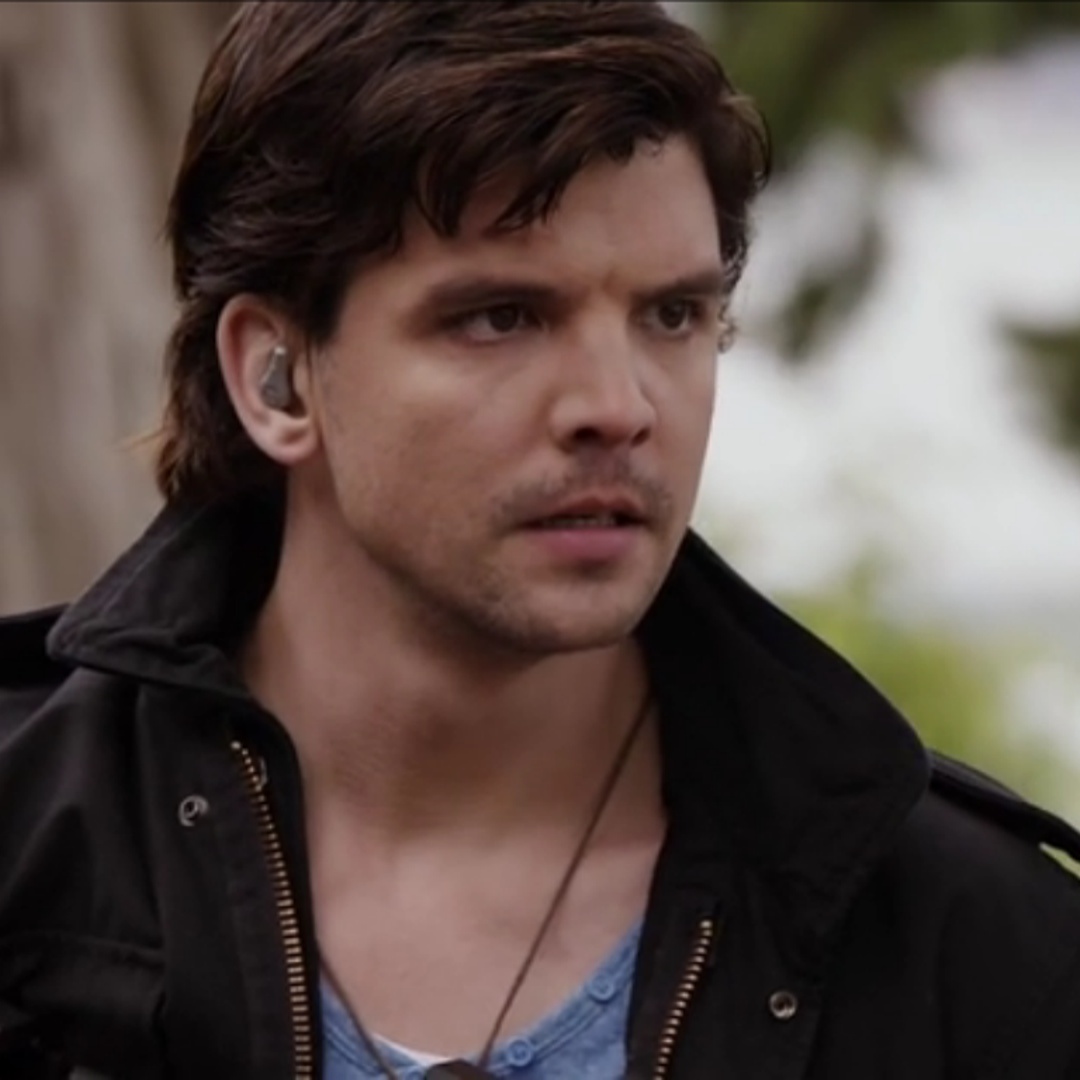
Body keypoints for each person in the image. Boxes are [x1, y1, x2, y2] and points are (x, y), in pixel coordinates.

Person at [2, 2, 1080, 1078]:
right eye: (502, 317)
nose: (618, 407)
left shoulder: (973, 944)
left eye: (672, 316)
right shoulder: (32, 855)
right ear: (275, 378)